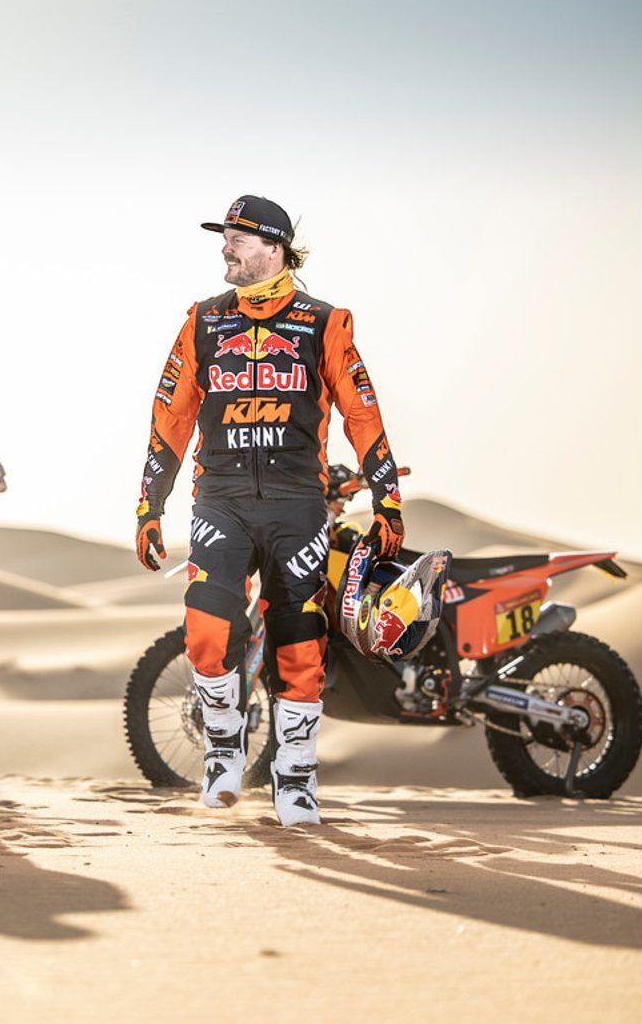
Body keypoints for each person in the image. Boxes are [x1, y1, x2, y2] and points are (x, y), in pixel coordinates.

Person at [134, 195, 405, 826]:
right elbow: (170, 416)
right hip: (220, 501)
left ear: (274, 248)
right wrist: (150, 505)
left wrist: (387, 500)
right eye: (224, 236)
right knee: (206, 631)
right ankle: (223, 749)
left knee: (300, 643)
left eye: (238, 237)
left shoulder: (325, 322)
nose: (225, 247)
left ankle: (296, 776)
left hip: (298, 504)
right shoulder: (202, 321)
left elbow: (362, 414)